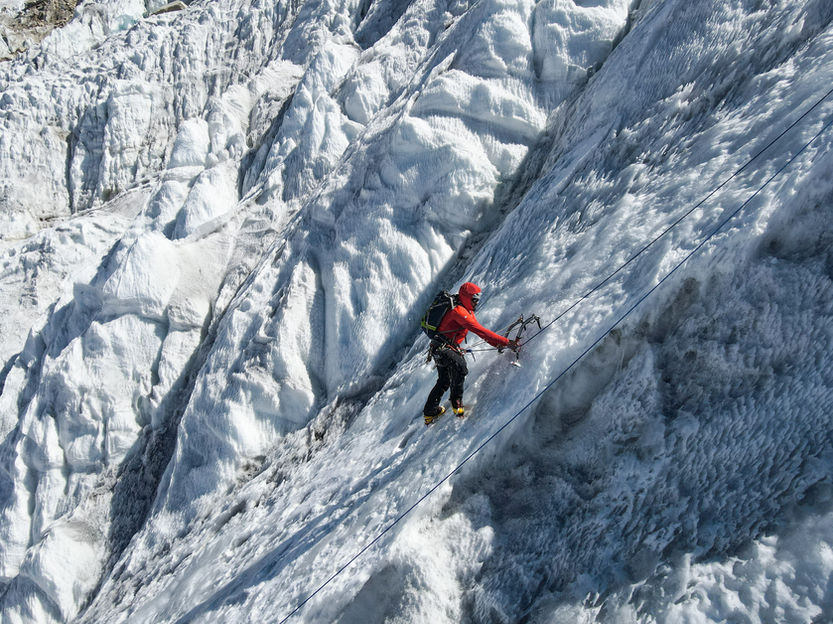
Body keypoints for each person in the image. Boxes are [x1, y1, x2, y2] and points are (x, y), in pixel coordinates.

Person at [423, 282, 518, 424]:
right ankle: (457, 407)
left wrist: (497, 343)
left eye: (477, 299)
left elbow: (480, 332)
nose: (476, 302)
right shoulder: (459, 312)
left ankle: (430, 413)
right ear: (466, 298)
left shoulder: (464, 308)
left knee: (444, 380)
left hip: (440, 347)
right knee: (460, 368)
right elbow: (481, 331)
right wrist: (506, 342)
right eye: (474, 299)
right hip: (444, 348)